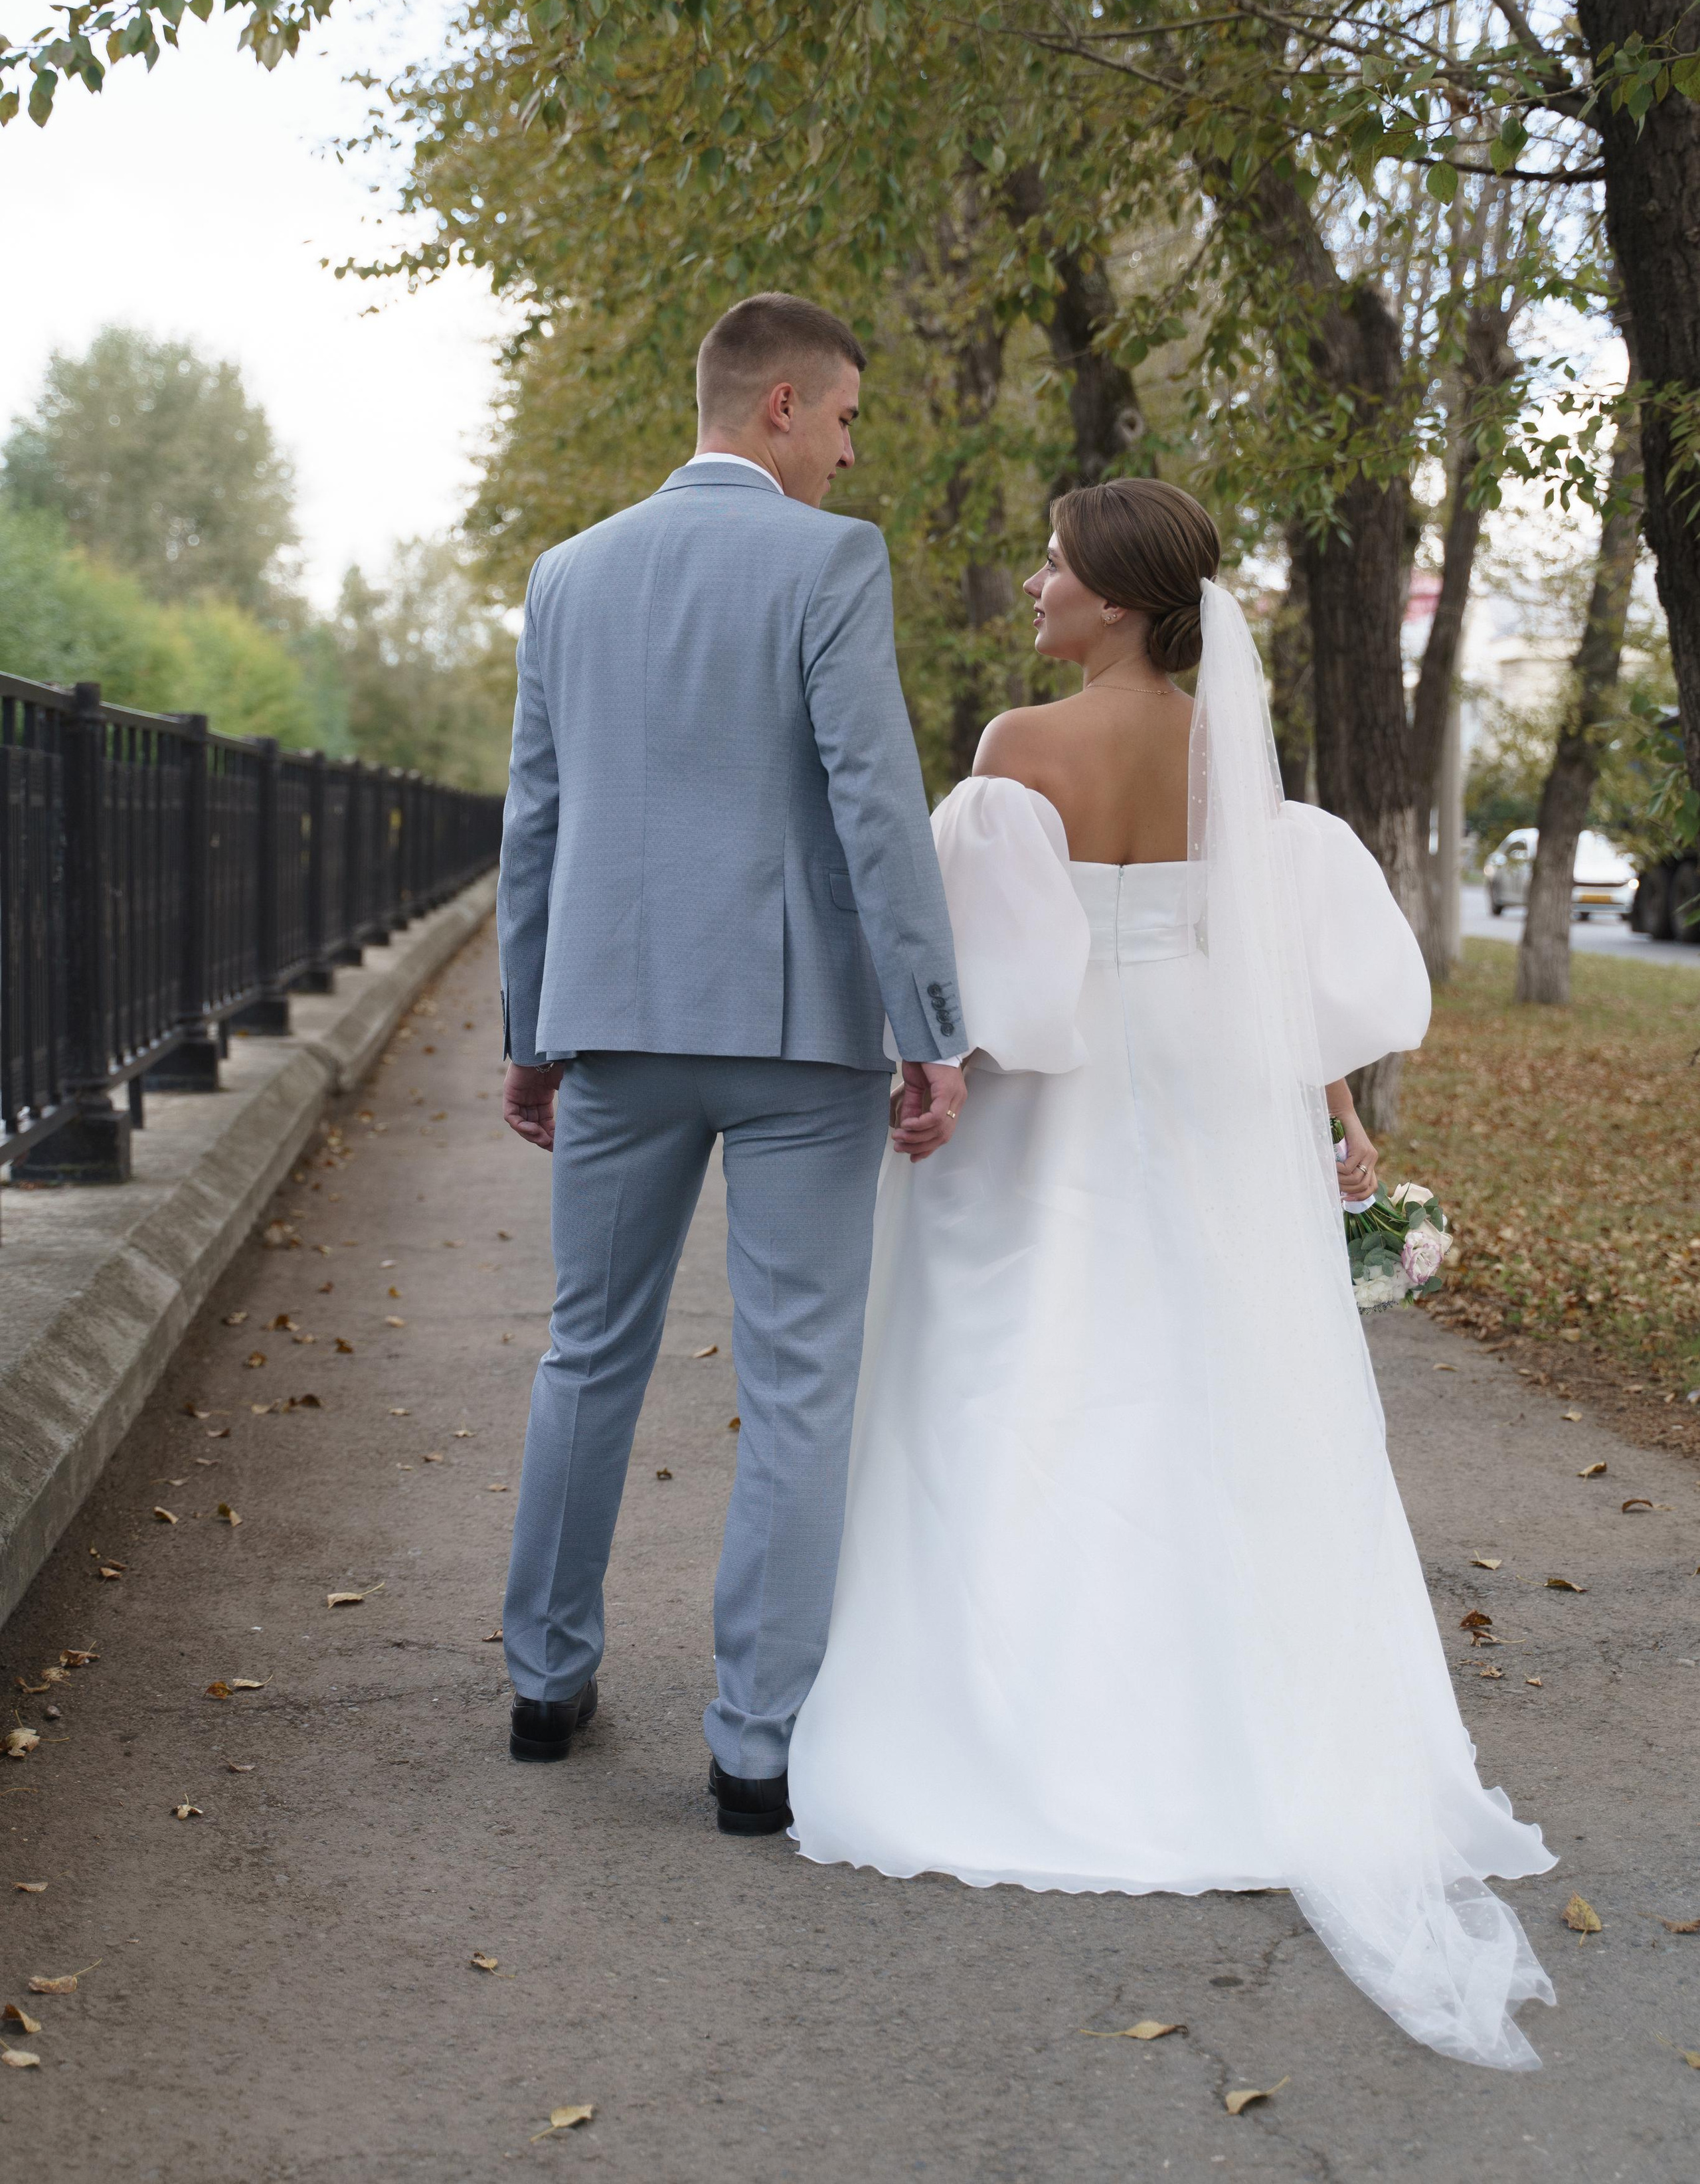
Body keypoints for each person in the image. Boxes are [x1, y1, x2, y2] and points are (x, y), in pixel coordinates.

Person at [787, 476, 1557, 2068]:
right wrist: (1329, 1111)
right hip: (1203, 1108)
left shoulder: (1018, 753)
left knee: (1010, 1393)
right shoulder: (1240, 769)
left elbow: (988, 982)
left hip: (1044, 1114)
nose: (1030, 582)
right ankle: (1243, 1729)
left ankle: (1025, 1724)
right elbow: (1262, 968)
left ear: (1119, 599)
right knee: (1208, 1398)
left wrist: (923, 1071)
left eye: (1052, 564)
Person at [495, 292, 968, 1834]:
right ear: (778, 404)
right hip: (793, 1036)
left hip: (614, 1026)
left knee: (588, 1352)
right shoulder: (829, 560)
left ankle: (543, 1682)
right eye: (841, 418)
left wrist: (527, 1027)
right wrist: (929, 1023)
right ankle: (753, 1746)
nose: (846, 449)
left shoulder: (566, 574)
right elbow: (873, 803)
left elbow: (537, 823)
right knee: (797, 1381)